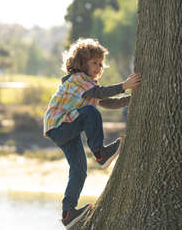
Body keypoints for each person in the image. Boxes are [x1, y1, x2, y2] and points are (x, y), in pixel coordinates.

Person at [43, 38, 141, 229]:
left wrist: (131, 99)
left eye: (100, 64)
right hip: (59, 126)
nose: (98, 67)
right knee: (90, 112)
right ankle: (100, 153)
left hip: (64, 129)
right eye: (94, 62)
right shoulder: (78, 79)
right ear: (81, 62)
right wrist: (124, 85)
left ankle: (68, 213)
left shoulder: (89, 85)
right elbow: (102, 93)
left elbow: (107, 102)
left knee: (79, 169)